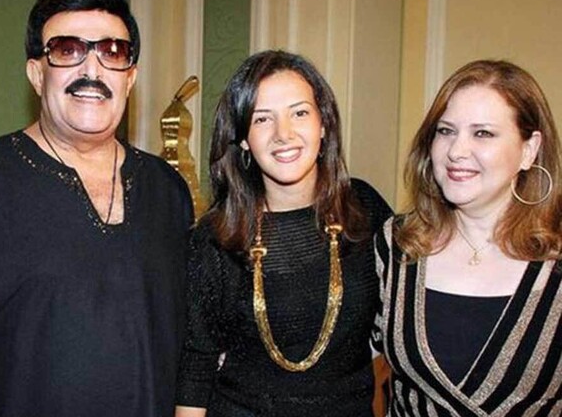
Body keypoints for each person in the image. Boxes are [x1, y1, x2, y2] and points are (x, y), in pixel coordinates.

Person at [0, 0, 194, 416]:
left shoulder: (168, 191)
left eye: (112, 52)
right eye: (67, 50)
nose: (92, 69)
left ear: (130, 77)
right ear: (37, 74)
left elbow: (192, 350)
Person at [175, 50, 392, 416]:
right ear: (244, 138)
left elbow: (406, 325)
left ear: (323, 124)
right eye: (262, 119)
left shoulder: (364, 210)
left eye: (300, 113)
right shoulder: (215, 238)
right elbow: (196, 365)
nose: (283, 134)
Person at [373, 60, 562, 415]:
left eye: (483, 133)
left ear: (529, 149)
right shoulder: (396, 244)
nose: (456, 151)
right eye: (446, 131)